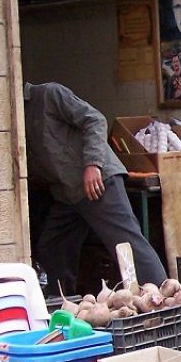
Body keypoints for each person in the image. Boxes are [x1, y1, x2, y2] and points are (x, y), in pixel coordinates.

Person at [23, 82, 167, 294]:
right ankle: (60, 304)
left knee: (127, 245)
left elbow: (95, 120)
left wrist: (93, 164)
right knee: (53, 249)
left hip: (99, 182)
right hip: (67, 193)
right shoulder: (14, 115)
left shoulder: (48, 95)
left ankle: (164, 298)